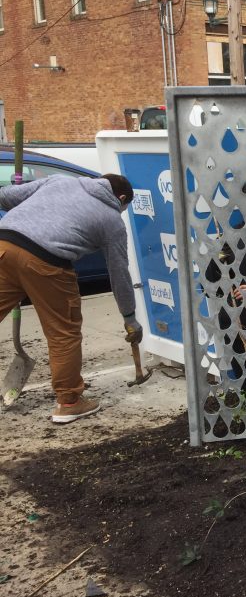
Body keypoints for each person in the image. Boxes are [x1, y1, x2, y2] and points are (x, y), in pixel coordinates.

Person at [0, 173, 141, 423]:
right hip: (47, 262)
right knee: (63, 332)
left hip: (5, 244)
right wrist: (129, 317)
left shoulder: (59, 180)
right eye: (124, 208)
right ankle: (69, 402)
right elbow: (119, 274)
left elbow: (4, 198)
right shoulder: (111, 220)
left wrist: (20, 191)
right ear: (120, 199)